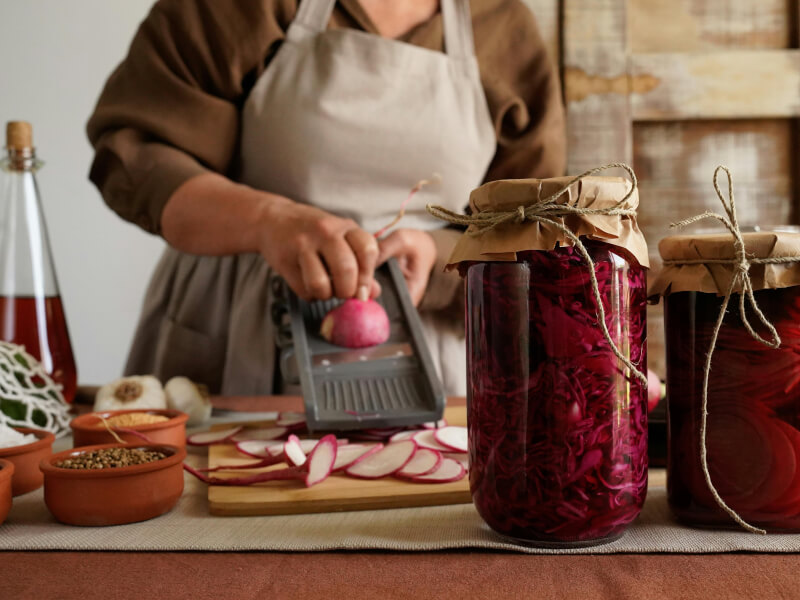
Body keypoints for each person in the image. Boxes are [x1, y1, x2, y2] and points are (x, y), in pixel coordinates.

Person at [87, 0, 566, 397]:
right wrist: (267, 220)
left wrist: (441, 257)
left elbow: (535, 226)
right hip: (234, 332)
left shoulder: (504, 24)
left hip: (431, 351)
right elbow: (135, 154)